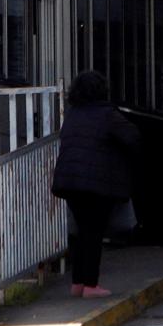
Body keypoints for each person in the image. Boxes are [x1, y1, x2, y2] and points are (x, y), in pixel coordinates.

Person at [51, 71, 141, 298]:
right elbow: (133, 138)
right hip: (96, 184)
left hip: (69, 182)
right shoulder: (107, 114)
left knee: (81, 232)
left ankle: (78, 283)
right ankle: (91, 285)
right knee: (93, 233)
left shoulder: (73, 115)